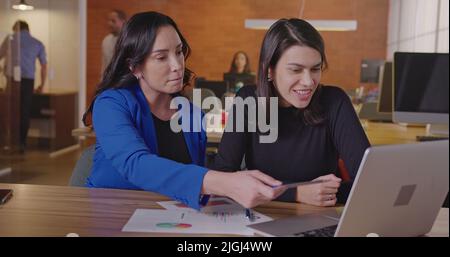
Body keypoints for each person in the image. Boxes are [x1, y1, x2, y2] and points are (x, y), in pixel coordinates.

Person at [83, 11, 286, 210]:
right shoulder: (110, 104)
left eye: (179, 52)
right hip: (111, 214)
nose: (177, 65)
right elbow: (136, 164)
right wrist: (224, 182)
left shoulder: (191, 113)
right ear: (134, 67)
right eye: (161, 57)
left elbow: (191, 176)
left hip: (168, 218)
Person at [214, 18, 370, 207]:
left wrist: (326, 194)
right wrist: (295, 192)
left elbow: (368, 180)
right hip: (264, 216)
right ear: (269, 70)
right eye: (296, 70)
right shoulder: (248, 100)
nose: (308, 81)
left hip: (319, 219)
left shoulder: (334, 101)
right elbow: (223, 176)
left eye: (316, 69)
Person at [0, 20, 47, 152]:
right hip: (28, 80)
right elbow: (44, 65)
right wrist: (41, 85)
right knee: (24, 110)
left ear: (16, 29)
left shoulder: (10, 39)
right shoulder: (37, 43)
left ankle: (9, 140)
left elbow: (0, 55)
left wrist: (3, 69)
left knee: (10, 110)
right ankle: (22, 142)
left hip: (12, 80)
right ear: (28, 29)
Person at [101, 9, 127, 75]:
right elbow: (104, 65)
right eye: (109, 21)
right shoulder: (106, 41)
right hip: (110, 81)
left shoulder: (132, 40)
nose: (109, 24)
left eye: (113, 21)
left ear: (123, 22)